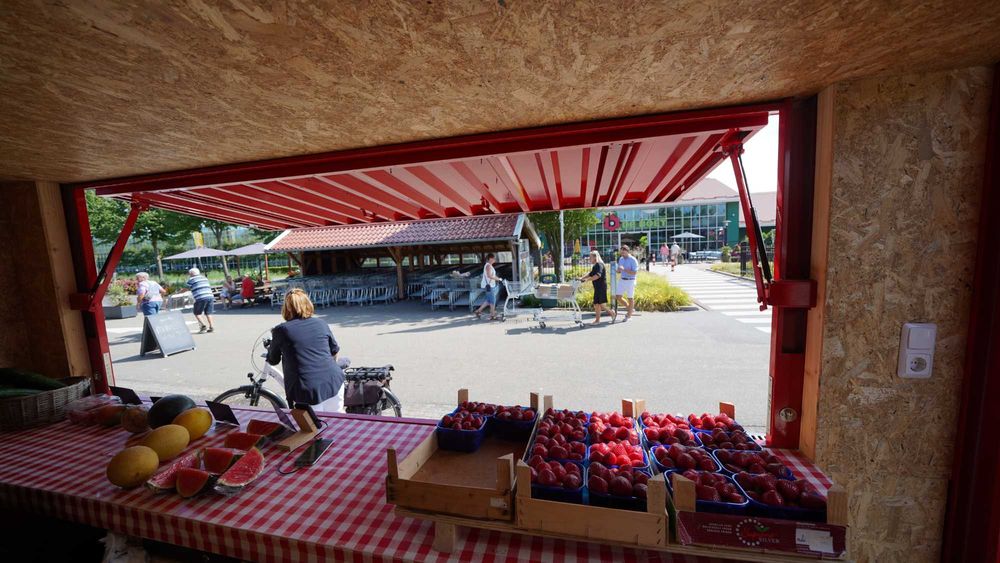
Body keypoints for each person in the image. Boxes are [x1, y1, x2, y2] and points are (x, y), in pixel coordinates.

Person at [266, 289, 344, 412]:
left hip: (307, 390)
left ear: (286, 308)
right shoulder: (321, 323)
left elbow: (273, 360)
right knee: (337, 423)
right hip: (334, 381)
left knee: (314, 428)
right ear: (308, 304)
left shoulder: (281, 330)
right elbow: (334, 351)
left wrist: (271, 350)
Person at [578, 250, 615, 325]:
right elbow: (591, 274)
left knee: (601, 304)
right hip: (598, 287)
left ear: (595, 257)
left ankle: (612, 313)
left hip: (601, 287)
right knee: (596, 304)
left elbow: (598, 275)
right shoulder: (595, 265)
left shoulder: (599, 265)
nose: (589, 259)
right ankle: (597, 320)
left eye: (590, 257)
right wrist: (582, 278)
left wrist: (586, 280)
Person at [186, 267, 215, 333]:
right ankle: (211, 326)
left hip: (200, 297)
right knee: (208, 313)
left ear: (191, 273)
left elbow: (186, 288)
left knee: (197, 313)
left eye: (189, 273)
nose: (189, 274)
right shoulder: (205, 278)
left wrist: (179, 292)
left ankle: (203, 325)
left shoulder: (191, 279)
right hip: (210, 296)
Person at [474, 253, 501, 320]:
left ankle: (478, 311)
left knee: (489, 300)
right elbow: (489, 276)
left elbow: (492, 275)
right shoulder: (488, 266)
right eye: (494, 258)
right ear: (490, 259)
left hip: (489, 285)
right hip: (489, 286)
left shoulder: (489, 265)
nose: (495, 260)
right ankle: (492, 314)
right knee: (492, 300)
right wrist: (498, 279)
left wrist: (499, 278)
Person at [615, 245, 638, 321]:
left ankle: (629, 315)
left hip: (630, 280)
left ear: (628, 252)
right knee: (618, 296)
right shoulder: (621, 259)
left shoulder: (633, 260)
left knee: (630, 298)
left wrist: (624, 269)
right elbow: (619, 270)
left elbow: (635, 272)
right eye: (621, 253)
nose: (622, 254)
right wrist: (618, 270)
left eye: (623, 253)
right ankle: (630, 309)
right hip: (622, 280)